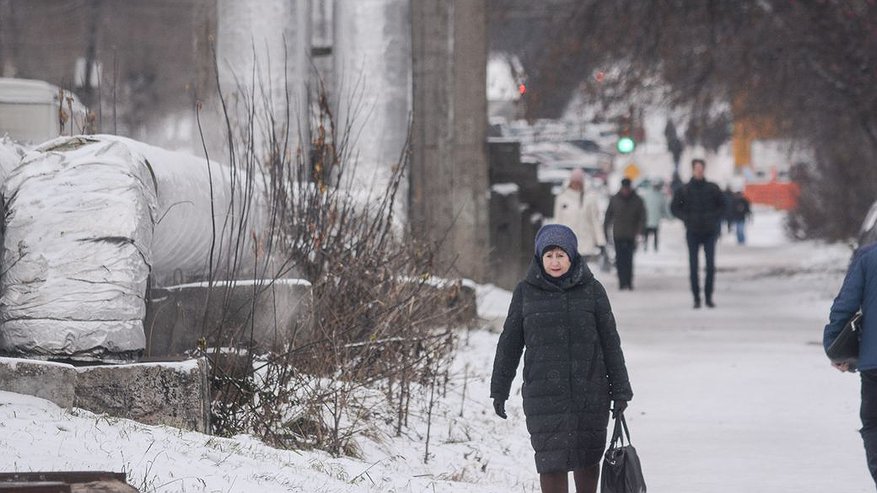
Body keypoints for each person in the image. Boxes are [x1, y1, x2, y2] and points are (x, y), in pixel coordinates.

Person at [491, 224, 633, 493]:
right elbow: (509, 344)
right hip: (544, 395)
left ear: (572, 256)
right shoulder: (525, 292)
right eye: (549, 255)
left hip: (589, 393)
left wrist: (621, 391)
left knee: (587, 460)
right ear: (539, 258)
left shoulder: (592, 290)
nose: (555, 262)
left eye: (560, 255)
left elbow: (610, 343)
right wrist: (499, 389)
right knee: (550, 463)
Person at [824, 242, 877, 487]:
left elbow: (845, 306)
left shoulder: (869, 257)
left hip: (874, 362)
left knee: (875, 426)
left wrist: (835, 349)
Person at [670, 158, 726, 308]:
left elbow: (723, 205)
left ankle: (708, 297)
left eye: (701, 168)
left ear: (704, 170)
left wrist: (714, 218)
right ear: (693, 170)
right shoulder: (685, 189)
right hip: (693, 231)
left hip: (709, 231)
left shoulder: (712, 188)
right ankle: (696, 298)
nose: (699, 171)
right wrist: (686, 218)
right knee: (693, 266)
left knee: (710, 266)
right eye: (697, 169)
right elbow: (674, 208)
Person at [553, 168, 607, 262]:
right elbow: (558, 220)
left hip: (586, 242)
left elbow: (595, 221)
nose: (576, 184)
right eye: (574, 181)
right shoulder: (562, 198)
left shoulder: (590, 198)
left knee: (580, 271)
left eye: (578, 181)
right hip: (567, 243)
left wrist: (600, 241)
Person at [604, 178, 646, 290]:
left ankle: (629, 281)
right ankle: (622, 282)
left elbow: (642, 217)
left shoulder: (637, 200)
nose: (626, 190)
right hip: (618, 234)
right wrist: (605, 230)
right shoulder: (614, 199)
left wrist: (640, 231)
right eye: (624, 188)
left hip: (631, 235)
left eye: (627, 188)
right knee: (619, 259)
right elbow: (608, 216)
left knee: (629, 259)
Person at [640, 178, 670, 252]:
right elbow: (664, 208)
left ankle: (646, 246)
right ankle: (654, 247)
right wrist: (669, 216)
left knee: (647, 233)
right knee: (655, 234)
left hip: (648, 219)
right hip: (654, 219)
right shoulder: (660, 196)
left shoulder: (647, 194)